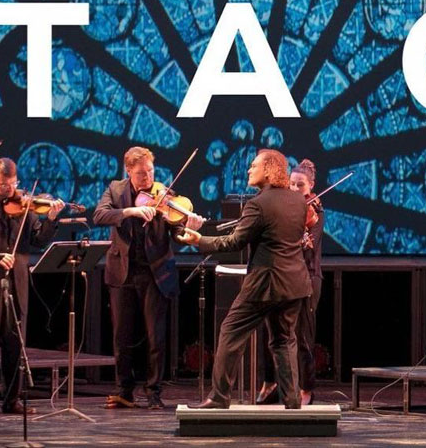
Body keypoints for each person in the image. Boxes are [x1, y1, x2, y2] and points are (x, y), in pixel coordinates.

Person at [177, 149, 311, 409]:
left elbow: (235, 242)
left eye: (254, 165)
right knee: (284, 341)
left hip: (265, 285)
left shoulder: (257, 204)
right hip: (295, 284)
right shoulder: (298, 202)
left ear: (270, 169)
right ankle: (293, 401)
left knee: (230, 332)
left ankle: (218, 397)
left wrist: (200, 240)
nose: (249, 170)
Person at [92, 146, 204, 410]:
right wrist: (130, 211)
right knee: (122, 336)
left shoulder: (163, 194)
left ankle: (154, 392)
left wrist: (188, 226)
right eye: (141, 173)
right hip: (123, 272)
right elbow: (99, 215)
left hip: (155, 273)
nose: (148, 178)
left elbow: (176, 231)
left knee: (156, 337)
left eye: (151, 171)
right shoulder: (116, 190)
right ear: (129, 171)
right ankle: (124, 391)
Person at [0, 158, 63, 414]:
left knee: (14, 343)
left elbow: (37, 240)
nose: (11, 189)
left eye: (14, 183)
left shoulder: (25, 205)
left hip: (17, 282)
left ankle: (12, 399)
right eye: (5, 185)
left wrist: (51, 219)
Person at [256, 158, 323, 406]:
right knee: (270, 331)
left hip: (307, 276)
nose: (295, 190)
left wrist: (298, 238)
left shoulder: (315, 209)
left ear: (311, 186)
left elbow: (309, 244)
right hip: (283, 275)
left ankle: (307, 388)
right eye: (292, 185)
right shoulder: (289, 208)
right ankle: (271, 381)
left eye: (300, 186)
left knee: (303, 336)